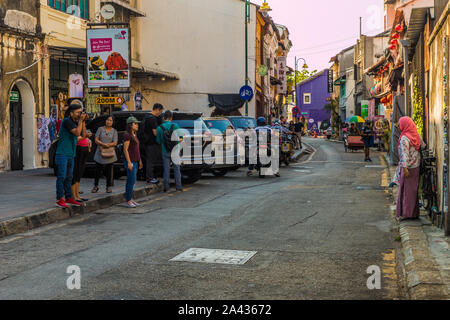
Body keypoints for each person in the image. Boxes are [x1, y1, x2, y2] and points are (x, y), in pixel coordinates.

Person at [55, 101, 88, 208]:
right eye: (78, 112)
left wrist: (83, 122)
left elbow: (83, 135)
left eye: (80, 112)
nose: (79, 114)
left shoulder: (74, 122)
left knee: (69, 177)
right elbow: (77, 133)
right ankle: (60, 198)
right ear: (71, 113)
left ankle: (69, 197)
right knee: (62, 177)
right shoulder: (66, 121)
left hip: (70, 154)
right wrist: (80, 121)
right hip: (62, 154)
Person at [392, 117, 423, 221]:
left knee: (406, 192)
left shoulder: (405, 138)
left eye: (401, 124)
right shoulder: (416, 135)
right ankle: (413, 213)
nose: (400, 127)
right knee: (413, 191)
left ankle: (405, 214)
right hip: (416, 166)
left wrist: (405, 169)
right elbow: (423, 145)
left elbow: (404, 155)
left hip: (408, 168)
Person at [156, 110, 182, 192]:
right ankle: (178, 187)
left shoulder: (159, 128)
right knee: (177, 168)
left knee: (166, 169)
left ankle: (166, 188)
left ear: (164, 117)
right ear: (171, 117)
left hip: (165, 151)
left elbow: (158, 141)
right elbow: (181, 137)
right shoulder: (176, 125)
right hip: (175, 150)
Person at [92, 116, 118, 194]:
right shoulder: (100, 129)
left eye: (110, 120)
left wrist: (108, 145)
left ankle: (108, 187)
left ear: (112, 122)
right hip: (100, 152)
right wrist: (103, 144)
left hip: (109, 153)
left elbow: (115, 142)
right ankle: (96, 186)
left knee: (109, 171)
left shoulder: (114, 131)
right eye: (107, 120)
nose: (108, 122)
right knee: (97, 170)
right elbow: (96, 139)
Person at [123, 116, 143, 208]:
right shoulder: (127, 135)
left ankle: (130, 198)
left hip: (135, 160)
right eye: (135, 123)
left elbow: (137, 149)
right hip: (130, 161)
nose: (137, 125)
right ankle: (128, 200)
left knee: (133, 181)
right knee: (131, 181)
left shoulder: (134, 135)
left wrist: (140, 160)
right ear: (130, 125)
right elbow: (125, 150)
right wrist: (129, 162)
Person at [142, 103, 164, 185]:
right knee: (150, 161)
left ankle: (150, 177)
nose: (160, 113)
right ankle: (150, 178)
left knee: (149, 161)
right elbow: (155, 132)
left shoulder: (146, 116)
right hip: (151, 143)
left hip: (147, 142)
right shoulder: (152, 119)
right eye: (160, 111)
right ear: (157, 109)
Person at [71, 129, 92, 202]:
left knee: (79, 173)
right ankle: (73, 195)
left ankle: (77, 194)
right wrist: (85, 136)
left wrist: (88, 140)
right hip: (78, 149)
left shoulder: (83, 126)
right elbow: (76, 138)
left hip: (84, 150)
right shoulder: (75, 126)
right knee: (76, 172)